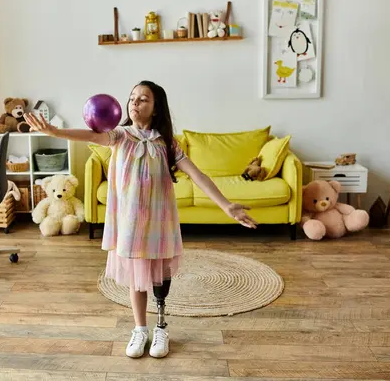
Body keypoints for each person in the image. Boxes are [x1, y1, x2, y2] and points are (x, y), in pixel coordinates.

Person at [24, 80, 257, 359]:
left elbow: (198, 175)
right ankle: (140, 329)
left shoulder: (167, 143)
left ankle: (161, 326)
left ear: (156, 108)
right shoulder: (120, 135)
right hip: (131, 223)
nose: (135, 102)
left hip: (160, 222)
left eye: (143, 99)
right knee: (137, 276)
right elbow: (89, 136)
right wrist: (54, 131)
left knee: (160, 276)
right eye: (132, 97)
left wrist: (226, 205)